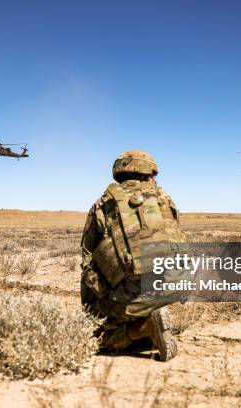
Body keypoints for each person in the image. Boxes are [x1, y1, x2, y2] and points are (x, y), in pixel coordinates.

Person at [80, 150, 185, 361]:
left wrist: (92, 309)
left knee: (94, 337)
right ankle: (150, 319)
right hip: (173, 288)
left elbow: (87, 261)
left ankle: (143, 327)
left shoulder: (102, 206)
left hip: (133, 296)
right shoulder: (165, 201)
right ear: (150, 175)